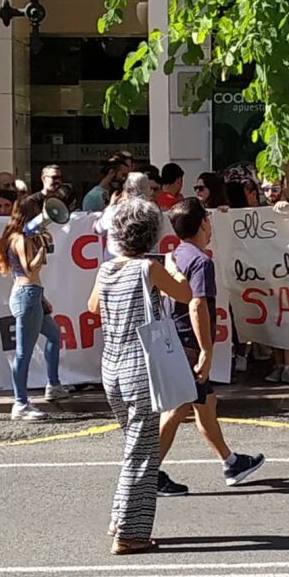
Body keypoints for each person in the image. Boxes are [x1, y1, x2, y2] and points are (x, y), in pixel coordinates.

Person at [86, 197, 191, 554]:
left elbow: (92, 306)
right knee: (142, 453)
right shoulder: (149, 269)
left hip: (111, 367)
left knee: (135, 445)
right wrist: (174, 268)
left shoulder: (107, 269)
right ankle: (130, 533)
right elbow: (185, 293)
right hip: (139, 367)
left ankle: (119, 517)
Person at [155, 198, 266, 496]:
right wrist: (206, 350)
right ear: (203, 222)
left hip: (177, 339)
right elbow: (198, 305)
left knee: (206, 404)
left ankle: (231, 462)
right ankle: (149, 472)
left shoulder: (177, 254)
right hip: (188, 344)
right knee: (177, 409)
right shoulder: (201, 262)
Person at [0, 196, 72, 420]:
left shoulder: (19, 237)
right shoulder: (20, 239)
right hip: (27, 296)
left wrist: (41, 298)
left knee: (54, 335)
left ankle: (53, 384)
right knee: (23, 353)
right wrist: (43, 249)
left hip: (31, 295)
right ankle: (20, 404)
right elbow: (31, 270)